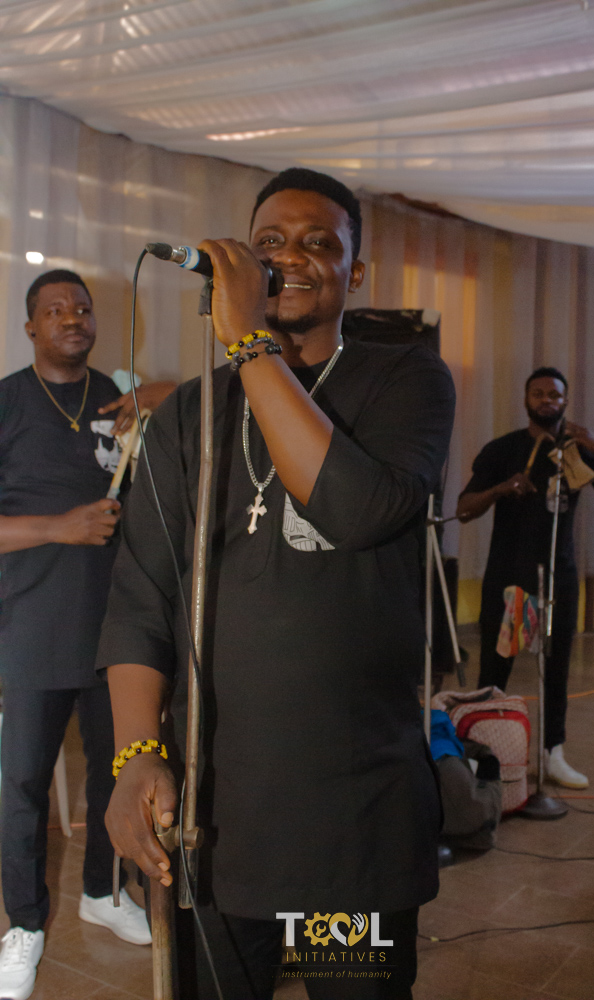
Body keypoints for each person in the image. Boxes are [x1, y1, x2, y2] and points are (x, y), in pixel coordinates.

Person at [97, 168, 456, 999]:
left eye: (317, 243)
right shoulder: (189, 415)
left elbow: (357, 510)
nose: (290, 257)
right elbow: (142, 597)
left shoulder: (405, 381)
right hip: (216, 821)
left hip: (351, 825)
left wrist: (248, 344)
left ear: (355, 273)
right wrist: (136, 755)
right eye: (269, 242)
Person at [0, 269, 176, 1000]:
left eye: (81, 307)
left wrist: (166, 397)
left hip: (116, 634)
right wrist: (59, 527)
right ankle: (23, 924)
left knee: (117, 772)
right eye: (54, 310)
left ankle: (103, 893)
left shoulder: (120, 398)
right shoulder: (7, 402)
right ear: (31, 327)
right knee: (21, 787)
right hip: (30, 629)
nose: (71, 317)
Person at [456, 367, 594, 788]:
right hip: (507, 578)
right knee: (494, 670)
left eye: (554, 394)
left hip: (558, 579)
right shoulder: (502, 449)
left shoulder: (578, 451)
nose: (546, 400)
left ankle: (552, 753)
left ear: (565, 401)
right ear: (526, 400)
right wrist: (501, 488)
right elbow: (464, 509)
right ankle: (482, 753)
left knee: (556, 671)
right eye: (537, 393)